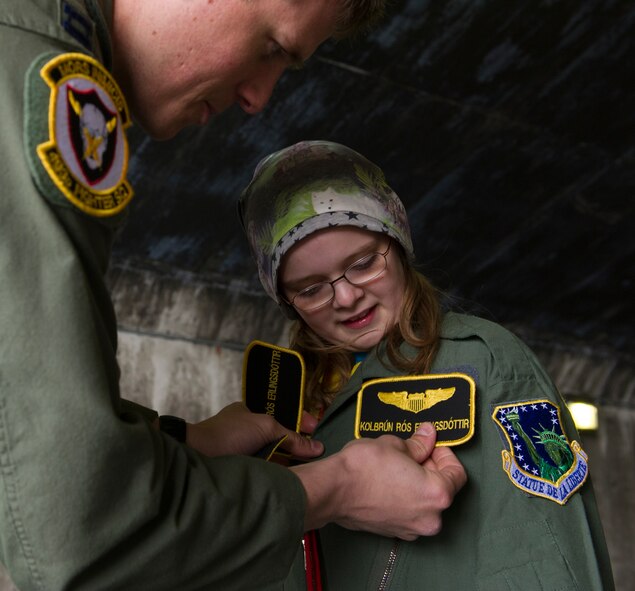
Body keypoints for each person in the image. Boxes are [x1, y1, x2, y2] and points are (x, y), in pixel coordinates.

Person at [0, 1, 468, 590]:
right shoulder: (35, 79)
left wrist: (181, 440)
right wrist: (337, 487)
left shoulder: (486, 359)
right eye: (272, 47)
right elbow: (79, 534)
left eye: (364, 262)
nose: (258, 98)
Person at [239, 140, 616, 590]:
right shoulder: (281, 402)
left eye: (362, 264)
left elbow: (545, 555)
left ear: (398, 243)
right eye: (310, 289)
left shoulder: (484, 359)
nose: (345, 296)